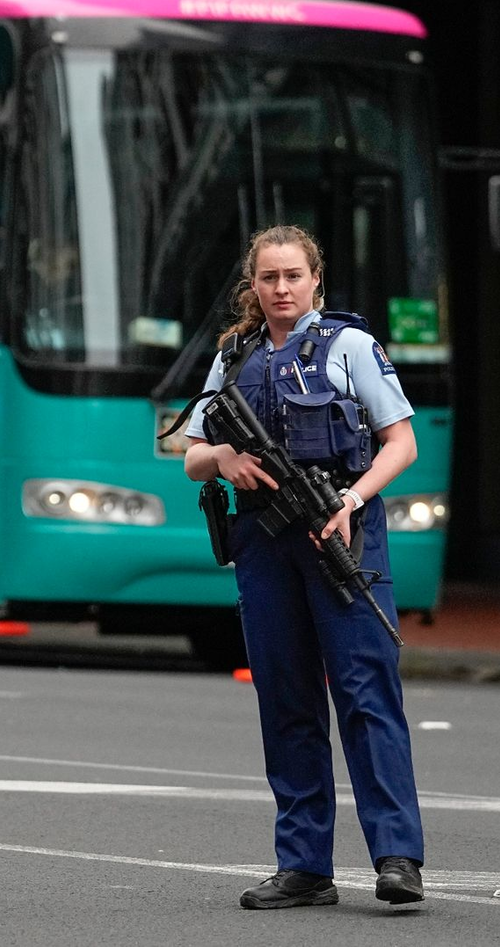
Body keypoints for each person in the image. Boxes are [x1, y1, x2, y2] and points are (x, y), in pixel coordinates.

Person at [182, 225, 425, 910]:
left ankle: (398, 856)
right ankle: (304, 864)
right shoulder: (234, 356)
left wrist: (350, 498)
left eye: (293, 275)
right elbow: (192, 452)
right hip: (263, 537)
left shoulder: (350, 346)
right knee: (286, 696)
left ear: (316, 277)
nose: (282, 288)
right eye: (269, 277)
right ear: (252, 284)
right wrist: (223, 459)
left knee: (364, 692)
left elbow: (400, 442)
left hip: (339, 527)